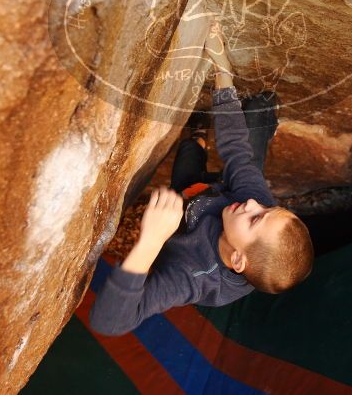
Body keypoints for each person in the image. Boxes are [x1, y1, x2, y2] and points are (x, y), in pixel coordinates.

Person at [89, 35, 314, 336]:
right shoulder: (250, 204)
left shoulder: (194, 276)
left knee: (188, 160)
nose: (255, 203)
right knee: (248, 154)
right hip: (215, 196)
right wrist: (223, 72)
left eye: (257, 217)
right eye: (270, 207)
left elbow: (109, 324)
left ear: (237, 258)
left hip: (186, 206)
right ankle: (260, 117)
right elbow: (236, 152)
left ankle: (197, 136)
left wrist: (151, 241)